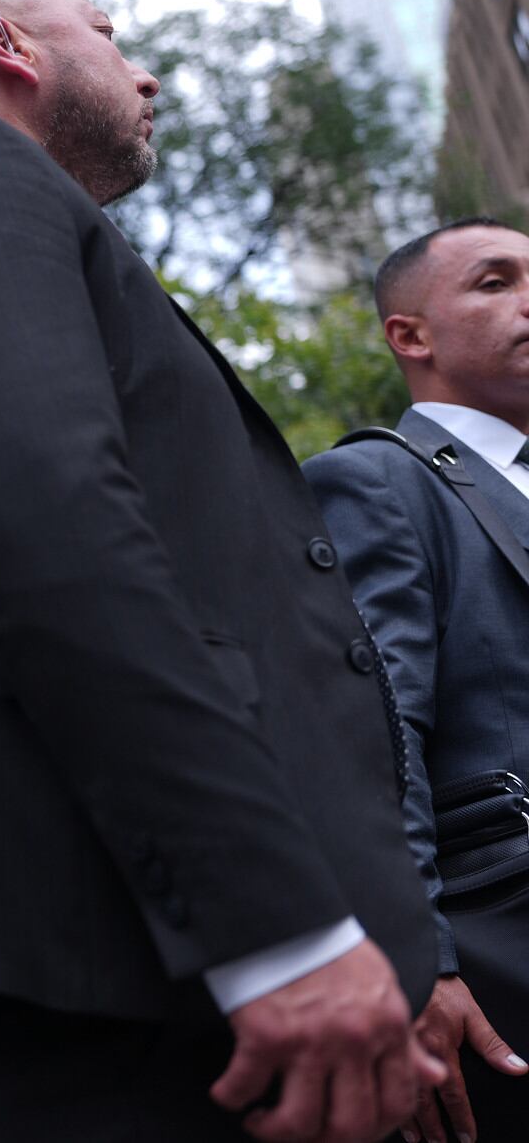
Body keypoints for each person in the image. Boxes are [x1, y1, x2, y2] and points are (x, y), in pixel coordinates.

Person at [0, 0, 440, 1142]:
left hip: (188, 968)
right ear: (6, 49)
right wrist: (275, 929)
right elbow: (54, 534)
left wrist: (392, 940)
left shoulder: (14, 219)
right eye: (103, 31)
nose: (141, 70)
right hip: (130, 977)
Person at [303, 217, 529, 1141]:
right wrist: (416, 959)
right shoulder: (376, 484)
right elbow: (370, 732)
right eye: (494, 280)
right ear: (410, 336)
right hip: (502, 959)